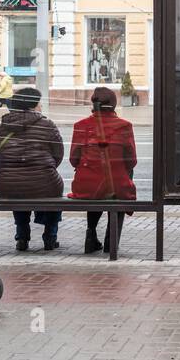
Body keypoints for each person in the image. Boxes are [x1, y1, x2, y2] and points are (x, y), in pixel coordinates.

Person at [66, 86, 137, 254]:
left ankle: (90, 235)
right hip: (116, 186)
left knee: (94, 182)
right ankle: (111, 241)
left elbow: (73, 159)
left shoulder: (81, 125)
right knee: (118, 187)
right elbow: (131, 160)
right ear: (113, 104)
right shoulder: (125, 126)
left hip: (86, 188)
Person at [0, 87, 65, 250]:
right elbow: (58, 155)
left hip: (7, 184)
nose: (41, 106)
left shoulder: (3, 126)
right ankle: (50, 236)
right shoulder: (47, 125)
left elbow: (0, 153)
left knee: (18, 186)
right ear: (33, 105)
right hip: (44, 182)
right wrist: (44, 167)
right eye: (39, 103)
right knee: (51, 190)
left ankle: (22, 236)